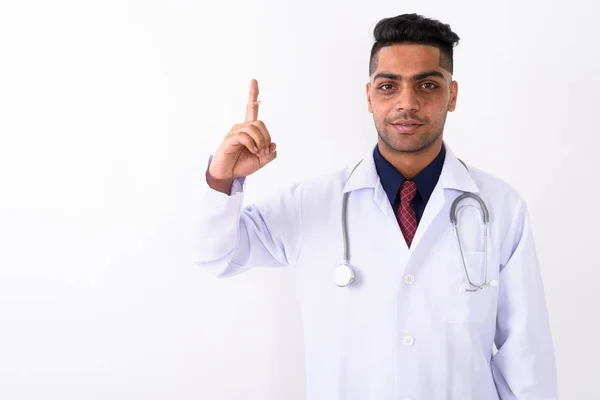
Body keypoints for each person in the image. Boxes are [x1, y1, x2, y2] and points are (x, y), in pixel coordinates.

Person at [195, 13, 558, 399]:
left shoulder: (499, 207)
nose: (407, 103)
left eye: (428, 85)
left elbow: (527, 359)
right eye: (389, 86)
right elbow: (217, 256)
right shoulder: (311, 204)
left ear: (452, 96)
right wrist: (222, 179)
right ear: (369, 96)